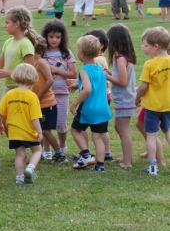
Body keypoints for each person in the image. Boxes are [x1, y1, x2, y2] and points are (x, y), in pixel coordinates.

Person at [69, 35, 113, 171]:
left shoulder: (84, 70)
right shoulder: (100, 67)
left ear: (81, 54)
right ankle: (100, 166)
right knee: (98, 137)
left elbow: (87, 89)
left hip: (89, 108)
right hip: (103, 108)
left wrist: (74, 104)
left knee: (75, 130)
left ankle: (86, 154)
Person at [0, 64, 43, 184]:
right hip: (28, 131)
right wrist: (39, 131)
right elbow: (34, 118)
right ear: (34, 78)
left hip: (14, 132)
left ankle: (19, 178)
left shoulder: (9, 94)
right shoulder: (32, 96)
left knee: (20, 155)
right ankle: (30, 168)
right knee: (37, 151)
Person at [135, 27, 170, 175]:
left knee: (151, 135)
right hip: (168, 105)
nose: (143, 47)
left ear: (155, 46)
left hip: (152, 107)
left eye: (145, 45)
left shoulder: (150, 64)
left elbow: (143, 87)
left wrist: (137, 98)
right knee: (168, 131)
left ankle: (152, 166)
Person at [41, 20, 76, 155]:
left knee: (61, 123)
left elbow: (73, 73)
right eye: (51, 37)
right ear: (46, 37)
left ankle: (62, 145)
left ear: (62, 37)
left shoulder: (66, 53)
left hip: (62, 94)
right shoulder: (42, 53)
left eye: (58, 37)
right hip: (46, 94)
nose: (54, 40)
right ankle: (47, 149)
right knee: (46, 124)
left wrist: (57, 70)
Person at [104, 24, 136, 168]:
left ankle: (127, 162)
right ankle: (128, 157)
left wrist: (107, 76)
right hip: (124, 99)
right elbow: (122, 77)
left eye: (109, 39)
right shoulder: (125, 57)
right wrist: (111, 74)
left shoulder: (120, 59)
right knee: (119, 128)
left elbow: (122, 82)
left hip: (125, 99)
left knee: (123, 130)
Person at [32, 35, 65, 163]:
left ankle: (59, 153)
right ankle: (38, 153)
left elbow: (50, 80)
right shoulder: (33, 63)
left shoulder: (41, 63)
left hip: (47, 104)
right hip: (38, 104)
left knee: (45, 131)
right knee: (37, 130)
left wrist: (38, 96)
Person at [0, 6, 36, 90]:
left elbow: (30, 72)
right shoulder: (8, 42)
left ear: (17, 24)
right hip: (9, 87)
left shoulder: (25, 44)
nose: (4, 26)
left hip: (23, 87)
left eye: (7, 23)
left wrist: (8, 73)